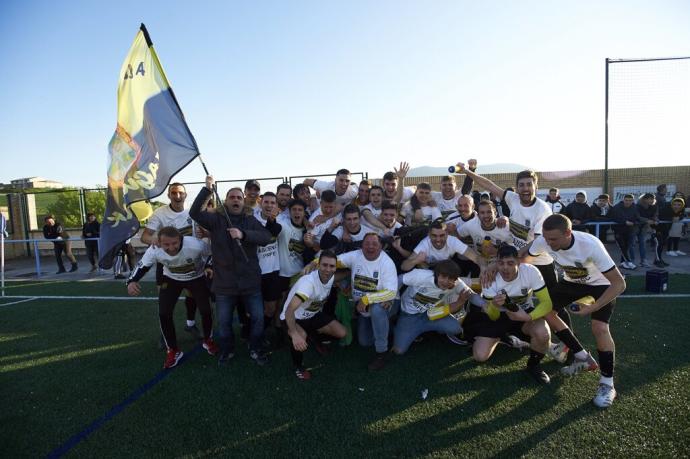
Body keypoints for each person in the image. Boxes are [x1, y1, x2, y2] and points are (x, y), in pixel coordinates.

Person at [528, 214, 626, 407]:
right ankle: (581, 356)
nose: (548, 243)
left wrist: (594, 307)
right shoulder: (544, 240)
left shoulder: (590, 245)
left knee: (599, 328)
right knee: (546, 309)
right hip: (572, 282)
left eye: (553, 239)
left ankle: (607, 384)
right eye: (546, 239)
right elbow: (526, 254)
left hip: (601, 285)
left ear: (568, 233)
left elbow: (619, 284)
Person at [190, 176, 272, 366]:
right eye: (232, 197)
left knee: (258, 319)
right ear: (225, 201)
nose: (235, 200)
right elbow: (195, 212)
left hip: (250, 282)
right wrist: (207, 189)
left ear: (243, 201)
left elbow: (266, 237)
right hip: (224, 284)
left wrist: (243, 234)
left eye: (239, 197)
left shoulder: (250, 220)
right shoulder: (216, 219)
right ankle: (227, 350)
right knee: (224, 323)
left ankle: (256, 349)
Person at [126, 226, 218, 369]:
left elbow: (213, 252)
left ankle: (208, 339)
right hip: (171, 279)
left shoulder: (194, 244)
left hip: (196, 277)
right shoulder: (154, 249)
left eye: (174, 243)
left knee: (206, 310)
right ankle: (173, 350)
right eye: (166, 244)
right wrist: (131, 281)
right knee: (164, 313)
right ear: (159, 242)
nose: (171, 248)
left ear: (181, 239)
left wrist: (209, 266)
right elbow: (142, 265)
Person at [463, 245, 554, 384]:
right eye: (501, 263)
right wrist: (494, 305)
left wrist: (528, 317)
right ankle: (503, 337)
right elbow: (492, 316)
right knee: (480, 356)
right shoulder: (489, 279)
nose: (505, 268)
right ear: (496, 263)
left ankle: (534, 365)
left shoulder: (530, 271)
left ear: (518, 262)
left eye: (510, 263)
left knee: (543, 334)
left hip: (523, 312)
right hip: (499, 317)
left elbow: (546, 303)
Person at [140, 183, 201, 339]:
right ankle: (164, 333)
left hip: (189, 261)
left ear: (186, 195)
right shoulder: (160, 213)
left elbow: (200, 234)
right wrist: (155, 240)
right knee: (164, 299)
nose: (178, 196)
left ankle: (190, 324)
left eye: (181, 193)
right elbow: (144, 237)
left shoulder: (192, 213)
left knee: (192, 294)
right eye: (174, 193)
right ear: (169, 195)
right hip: (167, 263)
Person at [281, 250, 347, 380]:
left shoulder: (331, 277)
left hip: (312, 315)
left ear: (335, 267)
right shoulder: (308, 284)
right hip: (293, 317)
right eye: (324, 265)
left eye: (332, 266)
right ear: (318, 265)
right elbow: (289, 310)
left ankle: (314, 337)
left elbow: (346, 273)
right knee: (300, 338)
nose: (328, 269)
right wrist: (294, 334)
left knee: (342, 332)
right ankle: (298, 367)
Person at [337, 233, 398, 370]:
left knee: (377, 310)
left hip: (385, 303)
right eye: (367, 243)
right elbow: (335, 261)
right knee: (365, 341)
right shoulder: (356, 255)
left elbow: (391, 292)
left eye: (375, 244)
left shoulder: (386, 263)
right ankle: (389, 328)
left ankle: (382, 353)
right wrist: (315, 262)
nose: (370, 247)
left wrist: (366, 299)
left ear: (381, 246)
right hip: (363, 308)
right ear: (362, 245)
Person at [392, 260, 477, 355]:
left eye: (451, 278)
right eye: (443, 277)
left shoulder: (457, 283)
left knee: (455, 328)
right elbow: (400, 279)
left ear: (455, 279)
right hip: (409, 316)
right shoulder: (421, 275)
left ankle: (424, 331)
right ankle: (402, 327)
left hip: (432, 314)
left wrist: (486, 304)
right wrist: (394, 298)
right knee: (399, 351)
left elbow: (471, 295)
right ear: (437, 274)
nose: (446, 282)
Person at [252, 192, 283, 337]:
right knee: (256, 310)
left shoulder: (278, 221)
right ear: (260, 202)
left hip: (273, 271)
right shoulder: (252, 220)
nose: (269, 205)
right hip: (256, 273)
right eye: (267, 202)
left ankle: (261, 332)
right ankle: (254, 335)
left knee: (271, 308)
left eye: (272, 203)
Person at [400, 220, 483, 273]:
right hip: (428, 272)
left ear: (447, 234)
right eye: (434, 236)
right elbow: (404, 266)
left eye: (442, 235)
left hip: (447, 271)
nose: (438, 239)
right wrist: (415, 260)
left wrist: (484, 269)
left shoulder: (452, 241)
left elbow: (475, 257)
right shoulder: (424, 244)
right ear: (429, 235)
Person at [611, 194, 640, 269]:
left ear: (633, 201)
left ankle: (623, 263)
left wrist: (633, 222)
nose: (628, 202)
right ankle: (629, 262)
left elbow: (637, 217)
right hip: (618, 230)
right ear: (623, 200)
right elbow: (614, 218)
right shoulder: (617, 207)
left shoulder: (635, 207)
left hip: (629, 230)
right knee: (622, 246)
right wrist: (625, 222)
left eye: (630, 200)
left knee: (626, 247)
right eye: (626, 200)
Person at [636, 193, 658, 267]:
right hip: (634, 227)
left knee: (643, 244)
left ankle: (643, 261)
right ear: (644, 199)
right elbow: (637, 216)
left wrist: (656, 220)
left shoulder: (654, 207)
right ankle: (629, 261)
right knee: (630, 245)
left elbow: (655, 215)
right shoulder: (637, 206)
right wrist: (647, 220)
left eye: (652, 199)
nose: (652, 200)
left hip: (644, 228)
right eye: (649, 199)